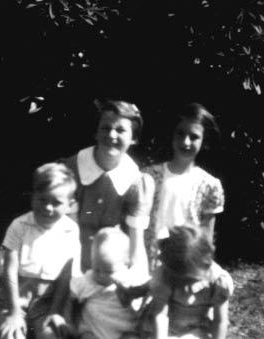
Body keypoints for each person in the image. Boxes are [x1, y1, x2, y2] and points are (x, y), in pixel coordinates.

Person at [64, 99, 155, 273]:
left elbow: (136, 243)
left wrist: (136, 278)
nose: (111, 135)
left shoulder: (136, 181)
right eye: (105, 128)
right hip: (69, 257)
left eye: (120, 130)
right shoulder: (73, 168)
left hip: (110, 268)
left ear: (133, 138)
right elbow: (66, 229)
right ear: (96, 133)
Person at [0, 163, 81, 339]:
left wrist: (55, 311)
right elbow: (9, 271)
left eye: (56, 203)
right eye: (42, 199)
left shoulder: (70, 230)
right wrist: (13, 312)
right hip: (16, 296)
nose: (48, 208)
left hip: (48, 300)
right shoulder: (19, 226)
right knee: (9, 335)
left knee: (52, 335)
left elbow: (66, 274)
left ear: (70, 205)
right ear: (33, 197)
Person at [149, 102, 224, 244]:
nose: (185, 142)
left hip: (186, 261)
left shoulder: (209, 185)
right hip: (149, 258)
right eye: (180, 133)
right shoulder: (149, 176)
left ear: (205, 141)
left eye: (194, 137)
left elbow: (206, 237)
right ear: (172, 134)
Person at [144, 225, 234, 339]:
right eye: (183, 281)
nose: (189, 288)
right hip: (168, 328)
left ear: (206, 260)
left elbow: (220, 321)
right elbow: (161, 316)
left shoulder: (218, 282)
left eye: (193, 280)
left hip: (198, 328)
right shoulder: (165, 277)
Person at [70, 227, 147, 339]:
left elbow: (147, 288)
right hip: (93, 330)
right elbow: (70, 295)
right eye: (97, 269)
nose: (101, 275)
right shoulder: (86, 280)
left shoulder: (129, 280)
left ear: (126, 264)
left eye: (109, 271)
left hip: (124, 330)